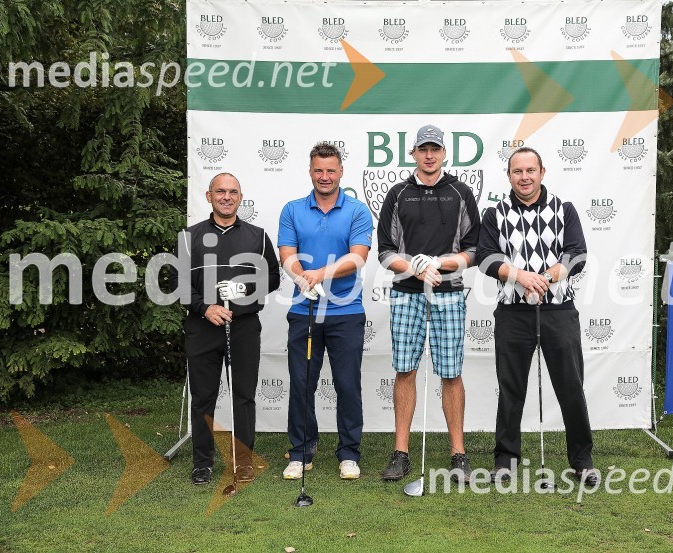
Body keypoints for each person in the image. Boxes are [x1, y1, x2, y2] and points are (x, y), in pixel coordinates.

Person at [475, 146, 598, 487]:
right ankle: (505, 459)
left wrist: (547, 276)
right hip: (513, 312)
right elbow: (485, 258)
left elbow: (578, 254)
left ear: (542, 172)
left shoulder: (564, 209)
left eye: (530, 170)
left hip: (558, 310)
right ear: (509, 176)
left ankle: (582, 460)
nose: (524, 177)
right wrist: (518, 275)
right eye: (518, 171)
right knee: (511, 387)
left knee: (570, 386)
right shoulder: (495, 213)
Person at [377, 124, 481, 484]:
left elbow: (474, 250)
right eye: (423, 149)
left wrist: (440, 265)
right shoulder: (398, 194)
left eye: (435, 149)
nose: (429, 155)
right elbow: (385, 252)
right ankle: (401, 453)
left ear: (444, 153)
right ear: (414, 154)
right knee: (405, 369)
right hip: (407, 293)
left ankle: (458, 453)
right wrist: (416, 269)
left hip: (449, 292)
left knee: (451, 372)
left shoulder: (460, 192)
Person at [173, 172, 280, 485]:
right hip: (202, 328)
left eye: (233, 192)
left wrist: (246, 289)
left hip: (244, 327)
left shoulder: (257, 236)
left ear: (240, 197)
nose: (226, 197)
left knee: (243, 397)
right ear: (209, 197)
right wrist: (206, 308)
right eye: (220, 191)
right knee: (203, 397)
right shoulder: (188, 237)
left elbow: (272, 278)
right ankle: (202, 463)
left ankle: (243, 461)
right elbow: (178, 285)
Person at [278, 142, 373, 480]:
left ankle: (349, 453)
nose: (325, 176)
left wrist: (321, 273)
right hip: (304, 310)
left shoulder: (357, 210)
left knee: (347, 384)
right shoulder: (292, 209)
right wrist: (302, 277)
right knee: (302, 383)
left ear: (341, 172)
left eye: (331, 170)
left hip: (346, 312)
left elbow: (357, 257)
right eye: (319, 170)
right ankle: (301, 450)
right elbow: (287, 253)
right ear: (310, 171)